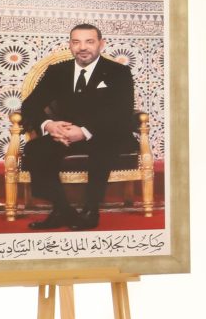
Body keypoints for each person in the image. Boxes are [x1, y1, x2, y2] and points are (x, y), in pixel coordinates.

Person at [19, 23, 136, 231]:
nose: (82, 47)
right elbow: (30, 105)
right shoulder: (57, 71)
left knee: (102, 148)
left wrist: (84, 132)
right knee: (35, 149)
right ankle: (62, 209)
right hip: (66, 134)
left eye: (89, 41)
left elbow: (121, 112)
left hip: (106, 134)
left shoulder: (118, 72)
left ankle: (91, 210)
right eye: (76, 42)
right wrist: (50, 125)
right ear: (70, 45)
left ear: (101, 44)